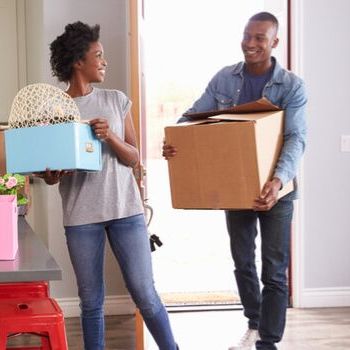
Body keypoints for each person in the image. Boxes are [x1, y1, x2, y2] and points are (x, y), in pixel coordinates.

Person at [163, 12, 307, 350]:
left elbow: (296, 138)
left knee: (274, 269)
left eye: (260, 38)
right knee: (242, 261)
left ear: (274, 42)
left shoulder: (291, 86)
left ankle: (268, 342)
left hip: (278, 191)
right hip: (237, 185)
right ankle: (254, 324)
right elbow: (193, 117)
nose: (251, 43)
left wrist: (276, 181)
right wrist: (177, 140)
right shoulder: (225, 80)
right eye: (247, 36)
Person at [41, 21, 178, 350]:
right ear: (78, 61)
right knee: (91, 302)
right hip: (80, 217)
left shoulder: (116, 100)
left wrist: (110, 136)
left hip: (125, 211)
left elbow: (134, 158)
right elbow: (47, 176)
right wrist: (52, 174)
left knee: (145, 294)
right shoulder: (53, 109)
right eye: (98, 55)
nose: (105, 61)